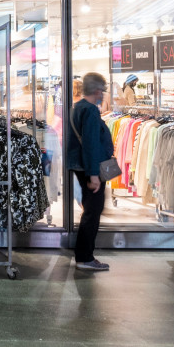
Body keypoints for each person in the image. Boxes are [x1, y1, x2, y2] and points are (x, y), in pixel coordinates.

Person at [67, 71, 115, 272]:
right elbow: (90, 144)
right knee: (93, 211)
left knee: (91, 209)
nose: (104, 94)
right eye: (103, 90)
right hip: (90, 168)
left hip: (82, 166)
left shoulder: (77, 108)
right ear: (97, 90)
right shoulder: (91, 111)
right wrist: (94, 175)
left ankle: (84, 255)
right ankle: (85, 257)